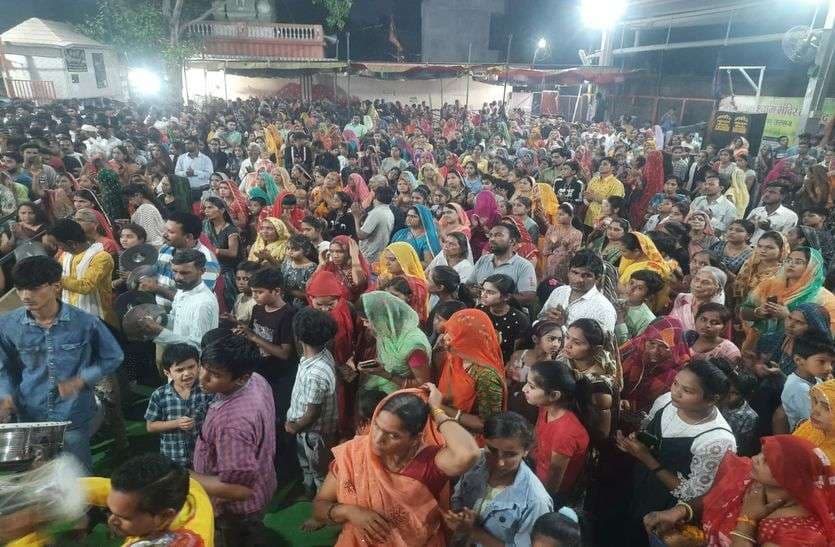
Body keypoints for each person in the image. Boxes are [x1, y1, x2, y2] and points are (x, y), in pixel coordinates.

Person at [312, 386, 480, 546]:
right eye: (377, 426)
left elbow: (469, 453)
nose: (377, 439)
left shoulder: (428, 463)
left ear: (415, 438)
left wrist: (437, 409)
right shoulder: (353, 454)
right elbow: (319, 506)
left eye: (393, 435)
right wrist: (349, 512)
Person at [0, 256, 123, 470]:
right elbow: (4, 367)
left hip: (71, 414)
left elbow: (113, 356)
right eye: (20, 289)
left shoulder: (86, 322)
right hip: (29, 412)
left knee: (78, 477)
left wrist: (81, 380)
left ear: (56, 287)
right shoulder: (7, 324)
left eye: (34, 288)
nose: (26, 295)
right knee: (35, 476)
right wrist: (6, 395)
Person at [616, 359, 736, 545]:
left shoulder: (717, 440)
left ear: (713, 399)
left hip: (668, 509)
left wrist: (646, 457)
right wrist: (635, 442)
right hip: (641, 486)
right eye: (675, 383)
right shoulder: (666, 401)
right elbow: (648, 429)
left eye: (687, 391)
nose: (675, 392)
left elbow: (693, 496)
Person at [192, 329, 277, 546]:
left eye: (215, 374)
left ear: (241, 378)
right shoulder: (256, 380)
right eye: (203, 367)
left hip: (237, 511)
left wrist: (184, 477)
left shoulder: (232, 424)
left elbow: (239, 490)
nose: (203, 378)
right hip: (263, 482)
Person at [446, 412, 553, 547]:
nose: (500, 462)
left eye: (510, 455)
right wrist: (459, 516)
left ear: (526, 451)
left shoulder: (536, 501)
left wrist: (474, 531)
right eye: (492, 450)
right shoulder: (475, 461)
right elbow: (458, 498)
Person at [286, 308, 339, 516]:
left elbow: (312, 413)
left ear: (298, 337)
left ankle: (321, 512)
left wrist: (295, 426)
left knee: (320, 472)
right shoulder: (321, 354)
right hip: (307, 430)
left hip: (313, 432)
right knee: (306, 465)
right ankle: (309, 491)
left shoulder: (316, 373)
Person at [741, 246, 835, 353]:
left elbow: (827, 336)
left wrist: (787, 317)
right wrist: (758, 312)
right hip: (755, 346)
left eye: (798, 262)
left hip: (795, 353)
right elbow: (744, 311)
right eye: (789, 260)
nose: (791, 264)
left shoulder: (824, 298)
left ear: (812, 267)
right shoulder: (769, 285)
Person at [523, 360, 590, 504]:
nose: (524, 389)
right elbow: (536, 440)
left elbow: (552, 485)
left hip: (546, 493)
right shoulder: (545, 407)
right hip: (534, 473)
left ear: (554, 395)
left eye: (531, 386)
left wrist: (534, 503)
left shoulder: (565, 433)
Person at [435, 308, 506, 437]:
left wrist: (440, 407)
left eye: (452, 333)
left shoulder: (486, 376)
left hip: (468, 441)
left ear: (468, 338)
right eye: (447, 331)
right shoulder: (455, 357)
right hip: (445, 428)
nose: (445, 337)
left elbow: (488, 424)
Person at [145, 343, 214, 467]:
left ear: (198, 366)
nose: (187, 373)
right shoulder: (160, 395)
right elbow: (151, 426)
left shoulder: (207, 390)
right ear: (168, 373)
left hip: (202, 455)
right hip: (173, 456)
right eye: (180, 370)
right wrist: (176, 423)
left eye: (191, 367)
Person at [43, 218, 117, 328]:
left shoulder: (101, 258)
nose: (59, 248)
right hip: (73, 316)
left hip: (101, 318)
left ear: (71, 243)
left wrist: (55, 278)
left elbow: (86, 286)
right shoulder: (64, 256)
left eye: (59, 245)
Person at [142, 249, 220, 349]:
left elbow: (198, 346)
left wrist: (159, 331)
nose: (177, 277)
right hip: (178, 354)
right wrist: (158, 319)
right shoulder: (182, 290)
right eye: (174, 271)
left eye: (184, 273)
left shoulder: (203, 303)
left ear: (202, 271)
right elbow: (177, 321)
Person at [357, 291, 433, 395]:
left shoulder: (414, 347)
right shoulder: (386, 331)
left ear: (383, 318)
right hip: (384, 383)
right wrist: (375, 366)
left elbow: (423, 384)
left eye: (367, 321)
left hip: (403, 397)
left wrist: (384, 374)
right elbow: (388, 360)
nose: (364, 325)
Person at [620, 316, 691, 416]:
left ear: (674, 347)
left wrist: (629, 405)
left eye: (664, 347)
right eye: (652, 343)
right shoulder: (636, 346)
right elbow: (611, 369)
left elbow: (659, 406)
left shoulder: (680, 373)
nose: (655, 351)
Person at [147, 212, 220, 306]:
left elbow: (197, 300)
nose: (164, 235)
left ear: (188, 237)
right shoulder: (166, 248)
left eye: (171, 232)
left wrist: (158, 289)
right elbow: (157, 274)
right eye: (165, 230)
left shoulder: (207, 261)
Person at [539, 250, 617, 332]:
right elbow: (540, 319)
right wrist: (548, 320)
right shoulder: (559, 292)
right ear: (568, 272)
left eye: (587, 275)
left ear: (597, 279)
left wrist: (561, 326)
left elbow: (603, 343)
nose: (579, 279)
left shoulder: (603, 309)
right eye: (575, 273)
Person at [467, 221, 538, 306]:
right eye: (491, 235)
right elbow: (469, 285)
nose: (492, 239)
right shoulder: (483, 260)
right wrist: (478, 291)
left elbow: (528, 296)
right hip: (481, 311)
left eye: (498, 235)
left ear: (512, 241)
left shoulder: (524, 266)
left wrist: (499, 298)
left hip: (509, 314)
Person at [781, 336, 835, 431]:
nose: (829, 368)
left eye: (832, 363)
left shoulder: (815, 378)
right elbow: (817, 418)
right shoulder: (800, 388)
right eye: (822, 361)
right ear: (799, 360)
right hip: (807, 434)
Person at [478, 273, 531, 363]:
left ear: (506, 297)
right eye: (483, 290)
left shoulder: (519, 319)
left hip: (505, 364)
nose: (483, 295)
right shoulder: (480, 310)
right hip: (479, 360)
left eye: (490, 292)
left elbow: (518, 352)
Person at [203, 197, 241, 311]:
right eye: (205, 208)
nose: (206, 210)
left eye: (210, 207)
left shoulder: (231, 229)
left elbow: (233, 252)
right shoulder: (205, 225)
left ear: (222, 210)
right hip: (208, 268)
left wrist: (215, 250)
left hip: (225, 270)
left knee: (227, 302)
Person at [669, 266, 727, 332]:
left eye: (705, 282)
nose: (698, 285)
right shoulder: (681, 298)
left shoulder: (719, 313)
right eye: (696, 280)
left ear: (718, 290)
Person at [353, 185, 395, 263]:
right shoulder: (388, 211)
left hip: (369, 257)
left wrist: (355, 217)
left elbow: (361, 235)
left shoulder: (376, 213)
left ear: (375, 198)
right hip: (378, 255)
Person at [543, 203, 583, 280]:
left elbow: (575, 254)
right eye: (557, 214)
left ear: (571, 216)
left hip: (566, 268)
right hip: (550, 266)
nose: (558, 217)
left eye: (561, 214)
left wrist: (566, 247)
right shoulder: (552, 229)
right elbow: (545, 251)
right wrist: (544, 272)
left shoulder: (577, 233)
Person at [583, 158, 624, 227]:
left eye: (605, 164)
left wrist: (594, 197)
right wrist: (586, 197)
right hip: (589, 218)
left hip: (604, 222)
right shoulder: (594, 179)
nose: (601, 166)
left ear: (613, 168)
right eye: (601, 164)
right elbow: (587, 197)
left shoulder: (617, 184)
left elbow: (614, 204)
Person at [125, 183, 166, 247]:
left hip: (153, 247)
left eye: (130, 199)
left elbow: (148, 235)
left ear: (138, 195)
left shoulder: (145, 209)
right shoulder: (148, 206)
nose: (130, 202)